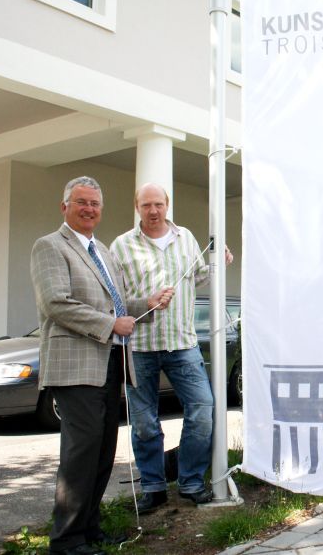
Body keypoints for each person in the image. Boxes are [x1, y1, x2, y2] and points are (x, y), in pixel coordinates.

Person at [30, 176, 172, 555]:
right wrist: (110, 325)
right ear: (65, 207)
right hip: (75, 366)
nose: (89, 209)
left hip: (111, 363)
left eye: (95, 203)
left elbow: (118, 305)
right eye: (81, 202)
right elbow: (56, 303)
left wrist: (148, 303)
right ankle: (66, 540)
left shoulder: (104, 251)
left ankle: (89, 530)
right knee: (80, 454)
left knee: (102, 451)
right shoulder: (50, 246)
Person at [110, 183, 233, 513]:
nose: (153, 211)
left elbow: (197, 278)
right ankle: (154, 487)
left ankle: (190, 481)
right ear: (137, 207)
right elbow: (113, 299)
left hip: (182, 343)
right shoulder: (121, 246)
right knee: (144, 423)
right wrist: (145, 302)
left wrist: (219, 263)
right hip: (140, 348)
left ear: (167, 205)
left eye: (158, 204)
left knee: (203, 410)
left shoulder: (186, 238)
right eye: (146, 205)